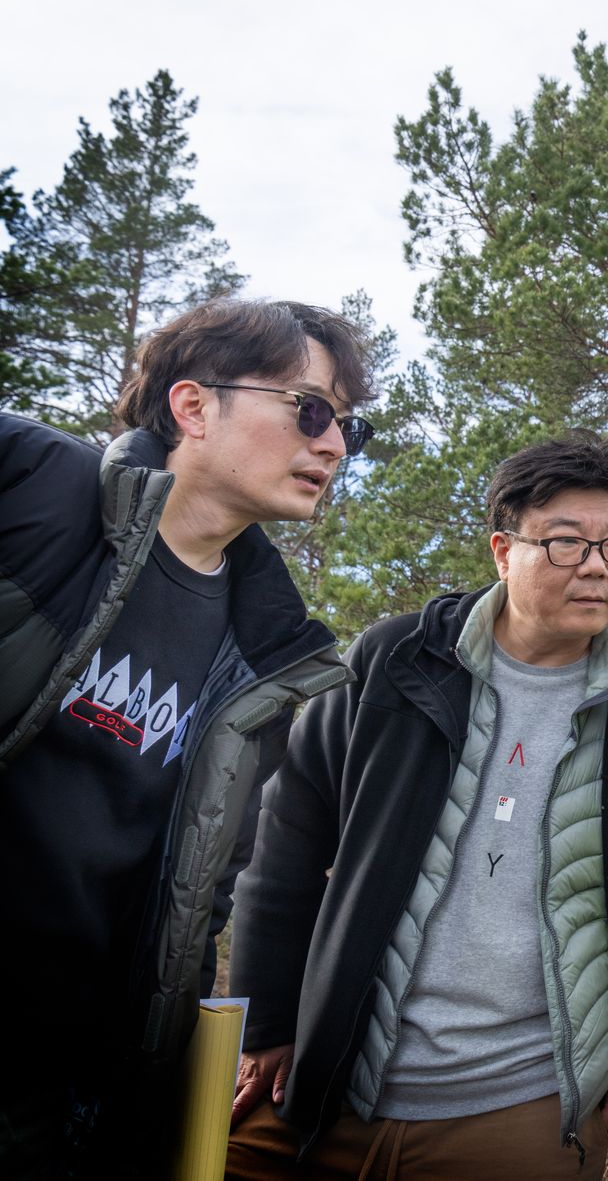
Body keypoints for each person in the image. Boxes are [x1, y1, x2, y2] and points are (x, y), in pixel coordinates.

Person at [225, 434, 608, 1179]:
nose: (597, 565)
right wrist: (270, 1019)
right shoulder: (397, 661)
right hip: (333, 1072)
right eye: (565, 543)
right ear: (504, 550)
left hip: (526, 1099)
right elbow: (290, 837)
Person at [0, 300, 375, 1179]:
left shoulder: (269, 653)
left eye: (346, 425)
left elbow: (198, 898)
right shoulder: (34, 488)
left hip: (77, 1087)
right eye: (310, 409)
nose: (334, 446)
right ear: (193, 406)